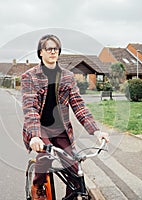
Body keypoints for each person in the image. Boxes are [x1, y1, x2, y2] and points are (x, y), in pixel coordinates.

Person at [21, 34, 109, 200]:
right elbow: (30, 108)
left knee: (75, 171)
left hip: (60, 130)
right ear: (41, 52)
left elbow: (78, 105)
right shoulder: (30, 76)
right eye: (49, 48)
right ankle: (38, 187)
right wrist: (34, 136)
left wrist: (96, 132)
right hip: (40, 130)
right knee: (45, 157)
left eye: (56, 48)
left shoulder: (67, 76)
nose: (53, 51)